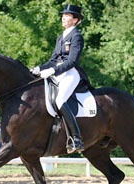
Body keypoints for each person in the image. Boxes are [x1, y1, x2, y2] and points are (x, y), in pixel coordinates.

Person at [30, 4, 85, 154]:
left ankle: (76, 138)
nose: (63, 17)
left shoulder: (76, 37)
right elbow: (53, 60)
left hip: (70, 73)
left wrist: (53, 70)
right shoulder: (61, 37)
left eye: (67, 16)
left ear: (75, 20)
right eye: (63, 15)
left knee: (60, 101)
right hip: (58, 73)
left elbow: (71, 61)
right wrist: (38, 69)